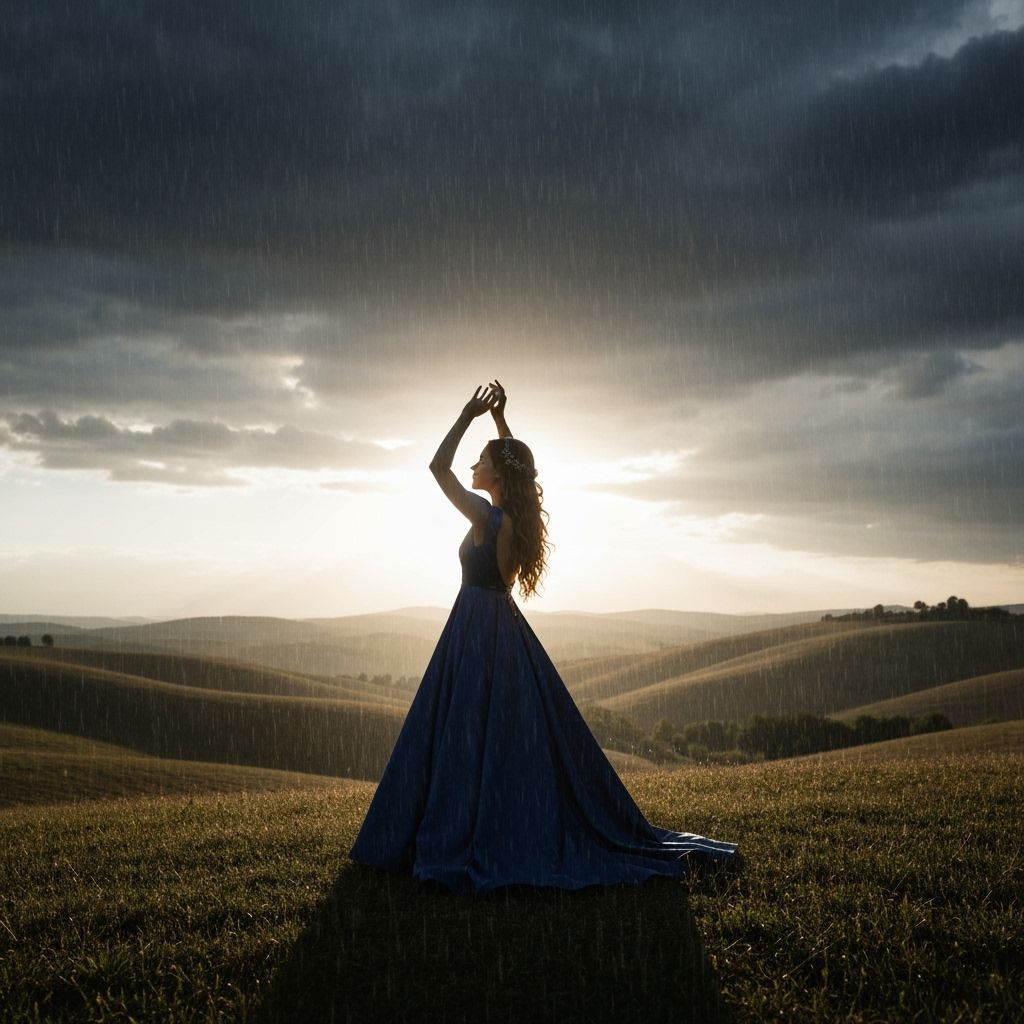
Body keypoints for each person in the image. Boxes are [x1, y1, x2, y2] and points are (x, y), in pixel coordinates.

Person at [349, 382, 737, 893]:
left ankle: (454, 833)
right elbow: (514, 470)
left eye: (481, 461)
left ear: (496, 473)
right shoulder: (512, 516)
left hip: (476, 633)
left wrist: (467, 415)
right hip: (499, 631)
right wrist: (500, 426)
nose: (471, 467)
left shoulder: (488, 519)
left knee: (464, 738)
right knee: (491, 742)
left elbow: (437, 469)